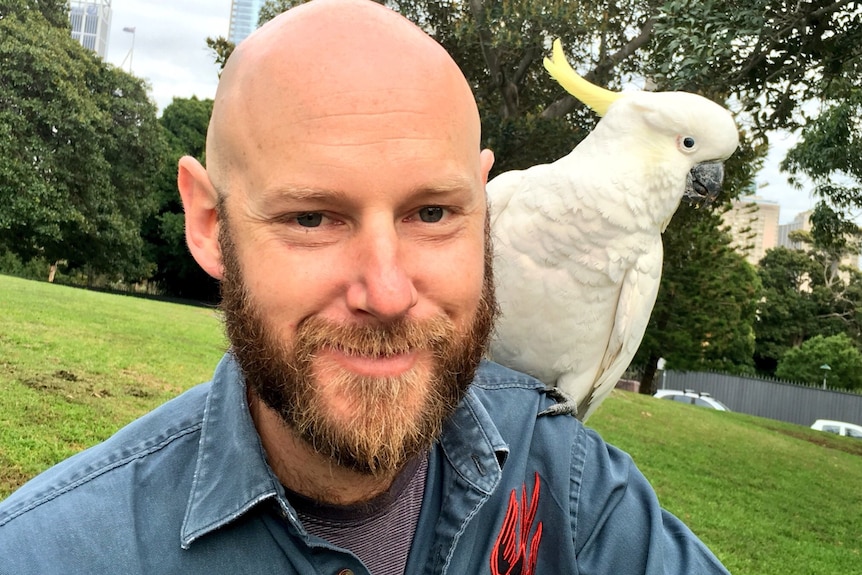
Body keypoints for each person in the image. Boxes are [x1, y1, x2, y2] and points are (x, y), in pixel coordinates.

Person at [0, 1, 732, 573]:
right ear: (207, 223)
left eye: (434, 213)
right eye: (312, 216)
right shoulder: (48, 552)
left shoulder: (581, 495)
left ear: (480, 210)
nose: (386, 292)